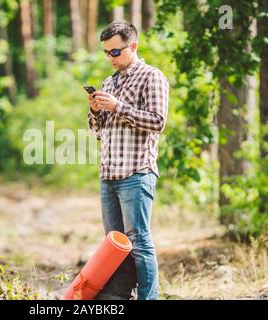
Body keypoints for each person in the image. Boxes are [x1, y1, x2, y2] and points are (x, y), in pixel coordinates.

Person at [87, 21, 169, 300]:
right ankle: (121, 297)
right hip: (109, 174)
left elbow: (157, 121)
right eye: (106, 53)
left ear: (132, 46)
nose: (110, 58)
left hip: (136, 172)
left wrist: (118, 106)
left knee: (139, 242)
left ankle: (149, 297)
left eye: (115, 52)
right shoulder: (109, 82)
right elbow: (99, 131)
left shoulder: (151, 77)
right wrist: (97, 111)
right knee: (115, 245)